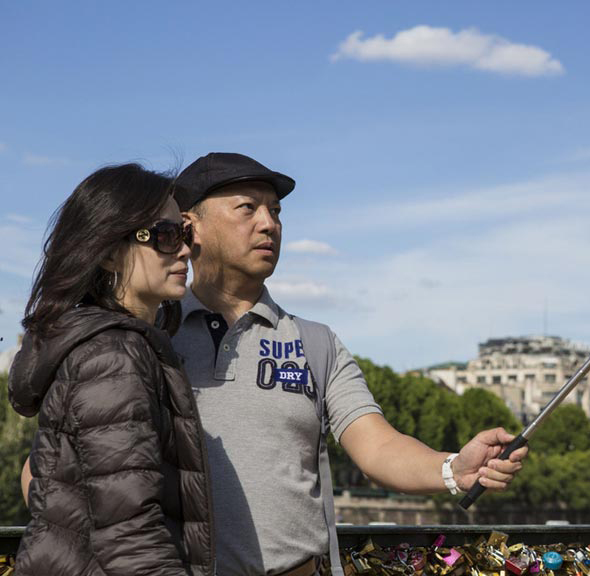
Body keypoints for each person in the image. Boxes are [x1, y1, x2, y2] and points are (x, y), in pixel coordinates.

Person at [171, 153, 529, 576]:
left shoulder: (317, 343)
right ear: (189, 227)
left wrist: (453, 469)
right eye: (247, 208)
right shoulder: (147, 336)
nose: (269, 224)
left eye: (276, 211)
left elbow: (378, 447)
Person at [8, 164, 214, 576]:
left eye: (185, 234)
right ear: (107, 252)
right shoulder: (113, 354)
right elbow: (130, 535)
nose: (185, 251)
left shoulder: (108, 345)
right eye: (166, 235)